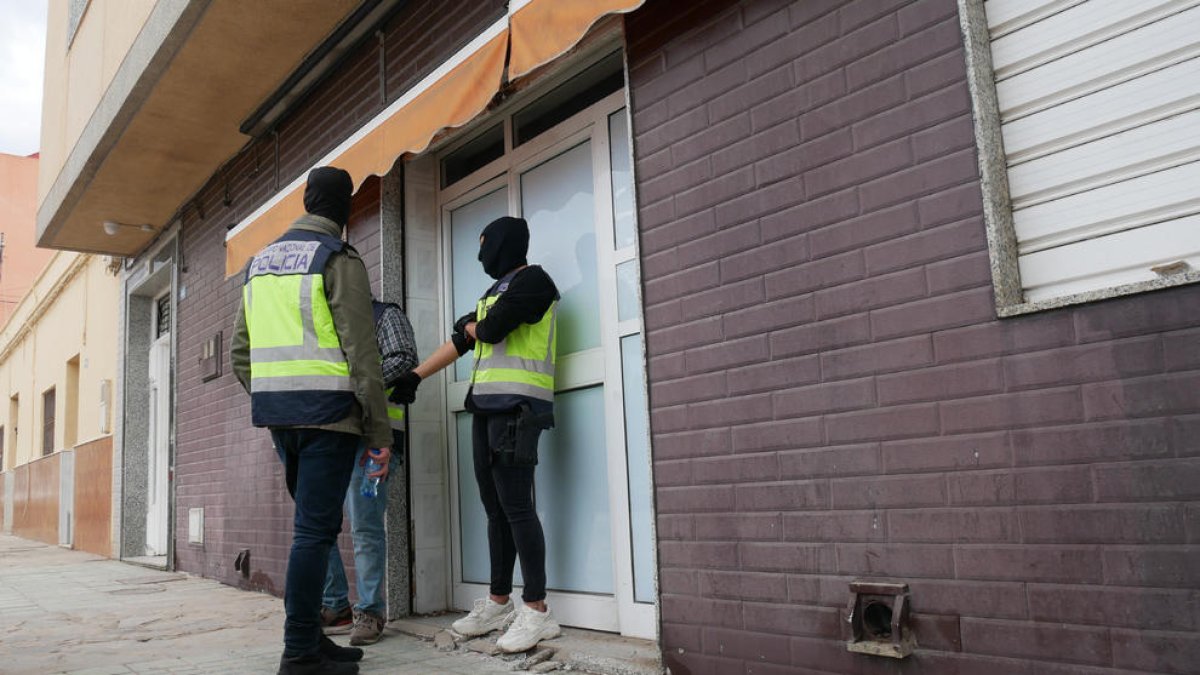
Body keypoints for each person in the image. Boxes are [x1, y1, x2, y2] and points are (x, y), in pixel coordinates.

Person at [231, 166, 392, 675]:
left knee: (315, 533)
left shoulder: (261, 263)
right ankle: (300, 651)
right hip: (330, 418)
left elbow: (240, 352)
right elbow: (362, 352)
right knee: (313, 534)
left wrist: (277, 399)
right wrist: (378, 432)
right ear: (343, 211)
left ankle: (314, 643)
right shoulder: (337, 258)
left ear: (305, 201)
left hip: (284, 423)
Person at [392, 215, 561, 654]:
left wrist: (471, 325)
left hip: (519, 410)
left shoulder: (535, 281)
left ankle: (538, 610)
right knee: (495, 510)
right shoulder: (494, 292)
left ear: (504, 245)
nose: (480, 255)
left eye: (485, 245)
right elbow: (463, 341)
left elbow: (487, 331)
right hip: (486, 410)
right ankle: (499, 602)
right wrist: (415, 375)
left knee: (518, 508)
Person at [320, 299, 416, 646]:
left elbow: (404, 358)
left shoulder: (383, 315)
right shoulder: (323, 322)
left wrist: (355, 384)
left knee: (365, 527)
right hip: (331, 438)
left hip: (375, 441)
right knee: (319, 526)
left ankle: (371, 611)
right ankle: (335, 606)